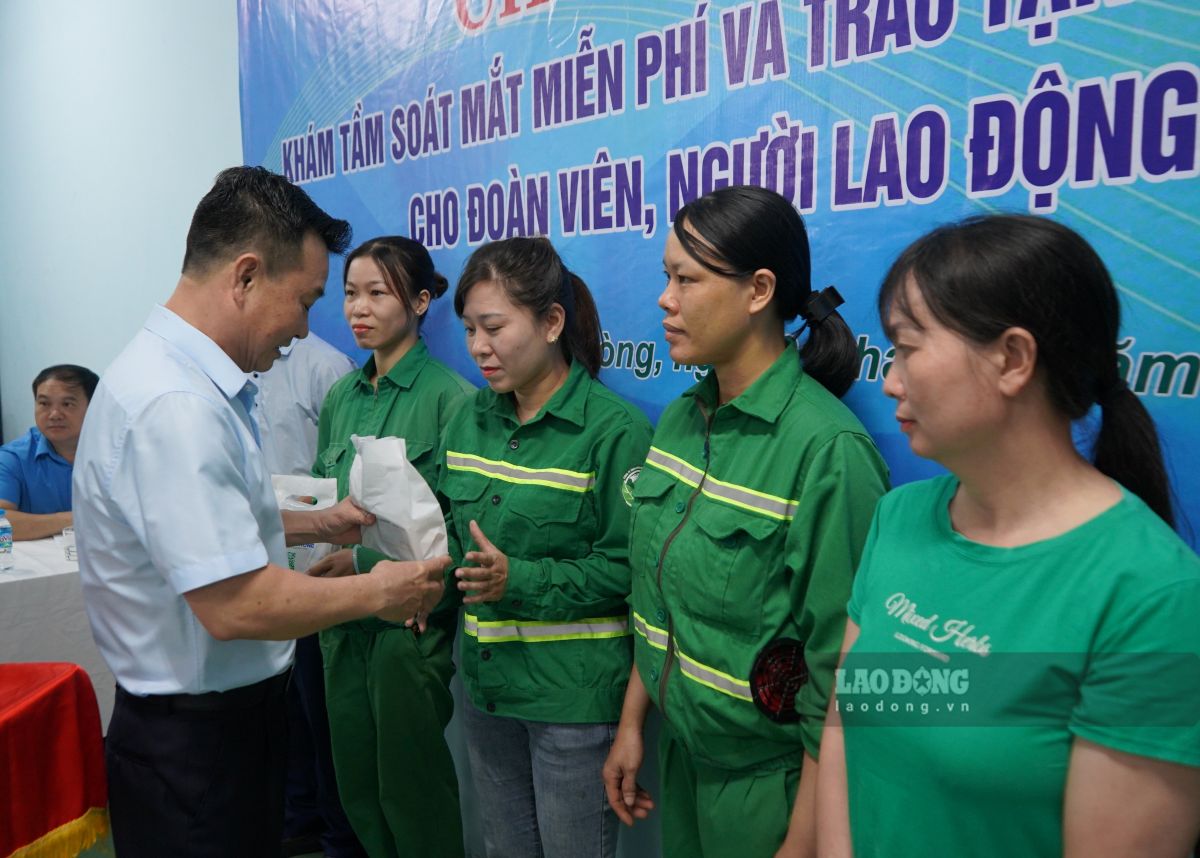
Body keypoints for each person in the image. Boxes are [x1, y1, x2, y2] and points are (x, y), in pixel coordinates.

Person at [72, 166, 448, 858]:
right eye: (305, 300)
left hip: (207, 731)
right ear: (245, 276)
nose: (304, 328)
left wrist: (316, 523)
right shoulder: (177, 407)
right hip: (197, 745)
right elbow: (237, 604)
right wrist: (381, 591)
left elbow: (200, 529)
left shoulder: (173, 380)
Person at [815, 214, 1200, 857]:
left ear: (1013, 359)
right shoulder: (899, 518)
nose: (890, 380)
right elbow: (843, 727)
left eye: (907, 347)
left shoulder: (1152, 595)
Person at [601, 185, 889, 858]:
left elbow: (840, 680)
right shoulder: (681, 420)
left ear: (759, 290)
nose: (665, 300)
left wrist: (803, 840)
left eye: (686, 280)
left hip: (775, 789)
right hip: (683, 761)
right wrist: (632, 723)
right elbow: (659, 601)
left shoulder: (828, 452)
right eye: (665, 278)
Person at [432, 235, 653, 858]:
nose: (479, 346)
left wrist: (519, 579)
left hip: (572, 704)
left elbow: (630, 570)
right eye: (469, 329)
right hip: (488, 691)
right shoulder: (468, 418)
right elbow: (447, 534)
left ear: (552, 322)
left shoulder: (615, 431)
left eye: (494, 327)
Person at [304, 235, 474, 858]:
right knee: (357, 789)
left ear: (421, 302)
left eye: (378, 293)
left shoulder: (452, 400)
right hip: (341, 619)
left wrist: (375, 564)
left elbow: (461, 531)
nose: (359, 308)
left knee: (412, 791)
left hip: (409, 628)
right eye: (351, 293)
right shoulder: (341, 397)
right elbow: (324, 499)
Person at [253, 333, 364, 858]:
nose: (358, 309)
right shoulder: (238, 367)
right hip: (264, 558)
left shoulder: (325, 367)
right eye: (351, 295)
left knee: (322, 709)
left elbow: (338, 474)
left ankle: (336, 828)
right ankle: (300, 814)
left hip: (318, 558)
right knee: (287, 702)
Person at [0, 364, 98, 540]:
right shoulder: (13, 457)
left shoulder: (118, 453)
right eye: (44, 403)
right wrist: (78, 518)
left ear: (94, 407)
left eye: (67, 404)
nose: (54, 415)